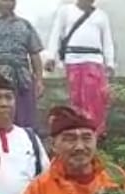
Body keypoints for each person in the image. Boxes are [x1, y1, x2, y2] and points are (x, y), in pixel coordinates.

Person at [45, 0, 115, 138]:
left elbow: (107, 40)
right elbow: (56, 33)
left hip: (95, 60)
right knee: (77, 98)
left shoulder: (101, 15)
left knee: (96, 97)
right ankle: (81, 129)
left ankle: (96, 130)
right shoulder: (66, 11)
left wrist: (110, 63)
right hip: (73, 60)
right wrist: (51, 56)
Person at [0, 0, 46, 130]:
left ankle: (26, 139)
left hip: (23, 77)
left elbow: (34, 53)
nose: (8, 2)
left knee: (26, 118)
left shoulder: (25, 24)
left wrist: (39, 80)